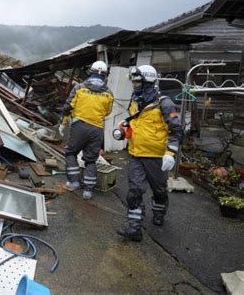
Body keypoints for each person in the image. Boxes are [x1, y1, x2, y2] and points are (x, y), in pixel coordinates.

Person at [115, 65, 183, 242]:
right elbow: (136, 122)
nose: (134, 85)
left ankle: (159, 213)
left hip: (157, 157)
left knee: (159, 191)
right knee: (134, 191)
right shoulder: (135, 100)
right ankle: (134, 228)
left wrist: (170, 153)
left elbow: (176, 131)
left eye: (138, 81)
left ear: (148, 81)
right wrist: (125, 127)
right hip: (136, 155)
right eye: (133, 81)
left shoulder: (164, 103)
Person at [58, 61, 114, 200]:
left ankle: (73, 182)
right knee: (90, 160)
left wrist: (63, 122)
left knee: (71, 153)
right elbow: (108, 112)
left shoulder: (79, 88)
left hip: (79, 126)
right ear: (105, 75)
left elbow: (67, 107)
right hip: (97, 129)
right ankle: (88, 191)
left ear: (91, 71)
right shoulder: (109, 93)